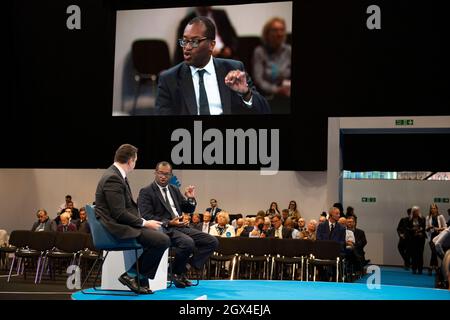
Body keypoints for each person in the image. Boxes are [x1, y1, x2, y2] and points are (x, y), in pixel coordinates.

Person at [95, 144, 170, 294]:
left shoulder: (116, 175)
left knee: (156, 238)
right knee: (162, 240)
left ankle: (138, 279)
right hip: (115, 228)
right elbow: (119, 213)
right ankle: (131, 275)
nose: (135, 163)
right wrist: (144, 223)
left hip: (120, 224)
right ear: (130, 161)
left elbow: (124, 210)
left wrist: (142, 221)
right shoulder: (113, 178)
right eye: (135, 160)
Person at [156, 16, 270, 115]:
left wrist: (246, 93)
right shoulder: (169, 79)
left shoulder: (233, 69)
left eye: (194, 41)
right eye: (184, 41)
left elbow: (264, 109)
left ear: (211, 45)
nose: (187, 47)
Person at [138, 161, 218, 288]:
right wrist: (169, 222)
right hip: (165, 229)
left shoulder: (174, 189)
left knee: (212, 241)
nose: (163, 176)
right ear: (155, 173)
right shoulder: (146, 191)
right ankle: (176, 273)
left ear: (170, 175)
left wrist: (190, 198)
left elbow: (188, 209)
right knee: (188, 242)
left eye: (166, 174)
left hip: (181, 227)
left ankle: (181, 270)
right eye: (160, 173)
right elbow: (146, 216)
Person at [173, 6, 238, 64]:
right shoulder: (186, 21)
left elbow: (233, 37)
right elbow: (180, 51)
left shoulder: (221, 14)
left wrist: (230, 49)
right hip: (202, 58)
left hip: (224, 55)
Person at [252, 17, 291, 114]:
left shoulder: (289, 50)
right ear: (267, 33)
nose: (279, 34)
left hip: (287, 93)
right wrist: (276, 90)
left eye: (282, 30)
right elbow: (258, 80)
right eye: (275, 30)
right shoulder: (259, 51)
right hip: (268, 95)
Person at [425, 203, 447, 275]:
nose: (433, 210)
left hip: (439, 236)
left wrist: (438, 228)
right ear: (430, 209)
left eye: (434, 208)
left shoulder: (440, 216)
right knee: (434, 252)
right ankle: (435, 267)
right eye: (431, 208)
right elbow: (426, 228)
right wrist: (429, 227)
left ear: (437, 209)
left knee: (434, 252)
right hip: (431, 236)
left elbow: (445, 227)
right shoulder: (428, 217)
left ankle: (432, 267)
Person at [407, 206, 426, 275]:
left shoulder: (422, 219)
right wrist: (413, 231)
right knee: (413, 255)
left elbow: (424, 228)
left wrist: (421, 232)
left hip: (420, 239)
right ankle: (414, 269)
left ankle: (420, 269)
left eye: (417, 211)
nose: (416, 212)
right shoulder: (409, 219)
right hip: (413, 239)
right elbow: (407, 229)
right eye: (415, 211)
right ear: (412, 212)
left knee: (420, 254)